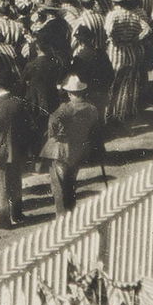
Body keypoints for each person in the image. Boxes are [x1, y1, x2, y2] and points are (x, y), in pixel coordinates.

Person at [41, 75, 104, 215]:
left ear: (70, 93)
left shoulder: (65, 108)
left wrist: (55, 135)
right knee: (71, 184)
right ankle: (71, 213)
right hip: (78, 149)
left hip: (61, 150)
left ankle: (62, 217)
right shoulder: (92, 109)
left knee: (59, 187)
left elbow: (52, 121)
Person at [0, 79, 34, 231]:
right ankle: (17, 214)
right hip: (16, 150)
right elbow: (27, 126)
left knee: (1, 186)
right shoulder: (19, 103)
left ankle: (4, 220)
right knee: (16, 182)